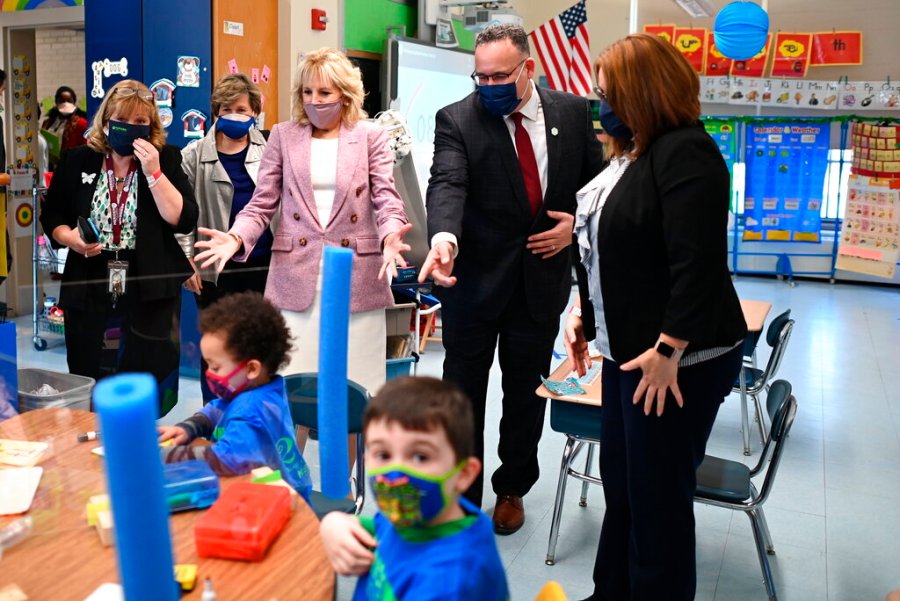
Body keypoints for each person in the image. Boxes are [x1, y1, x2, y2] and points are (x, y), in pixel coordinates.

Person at [563, 34, 747, 600]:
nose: (600, 105)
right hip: (628, 355)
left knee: (658, 499)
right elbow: (607, 249)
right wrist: (583, 314)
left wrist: (670, 351)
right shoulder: (633, 154)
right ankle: (610, 590)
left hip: (675, 363)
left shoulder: (685, 151)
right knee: (625, 486)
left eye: (608, 93)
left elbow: (698, 264)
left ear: (642, 93)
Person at [418, 24, 604, 533]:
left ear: (529, 68)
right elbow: (447, 182)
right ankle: (462, 498)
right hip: (473, 285)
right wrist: (444, 239)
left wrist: (576, 230)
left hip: (540, 284)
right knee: (461, 398)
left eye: (501, 74)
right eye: (481, 76)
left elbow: (594, 191)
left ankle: (511, 488)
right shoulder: (458, 118)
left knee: (524, 397)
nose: (490, 84)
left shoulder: (571, 112)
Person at [193, 47, 411, 397]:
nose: (314, 100)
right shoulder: (283, 135)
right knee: (294, 389)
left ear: (345, 94)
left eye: (324, 92)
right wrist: (235, 238)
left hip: (357, 276)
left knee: (356, 392)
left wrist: (389, 237)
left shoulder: (371, 136)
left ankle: (352, 455)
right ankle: (288, 453)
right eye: (307, 92)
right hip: (295, 278)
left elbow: (386, 198)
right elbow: (261, 204)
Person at [40, 79, 198, 415]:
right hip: (90, 279)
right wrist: (71, 239)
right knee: (90, 371)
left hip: (148, 285)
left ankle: (140, 448)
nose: (132, 127)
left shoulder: (166, 159)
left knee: (145, 377)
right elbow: (52, 214)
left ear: (152, 124)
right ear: (107, 120)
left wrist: (153, 173)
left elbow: (183, 218)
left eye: (141, 122)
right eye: (123, 119)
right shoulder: (78, 159)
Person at [319, 376, 509, 601]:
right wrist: (333, 524)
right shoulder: (422, 512)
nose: (396, 472)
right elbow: (382, 527)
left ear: (464, 474)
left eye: (420, 456)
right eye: (383, 454)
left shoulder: (449, 583)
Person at [158, 292, 313, 501]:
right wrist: (188, 428)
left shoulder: (252, 412)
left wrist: (166, 456)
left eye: (215, 366)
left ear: (251, 368)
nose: (208, 373)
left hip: (279, 501)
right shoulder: (260, 388)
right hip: (262, 488)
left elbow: (226, 459)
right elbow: (215, 409)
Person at [179, 73, 271, 403]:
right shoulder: (193, 155)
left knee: (256, 349)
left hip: (263, 266)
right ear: (216, 111)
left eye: (243, 109)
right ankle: (215, 416)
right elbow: (182, 215)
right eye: (228, 108)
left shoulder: (271, 150)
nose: (236, 115)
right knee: (217, 350)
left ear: (255, 112)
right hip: (213, 270)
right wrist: (185, 261)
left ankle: (252, 419)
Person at [41, 85, 88, 167]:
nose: (65, 104)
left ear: (74, 102)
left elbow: (86, 149)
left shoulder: (81, 124)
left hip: (71, 166)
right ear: (56, 102)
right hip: (49, 165)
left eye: (69, 101)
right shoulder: (47, 123)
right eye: (61, 101)